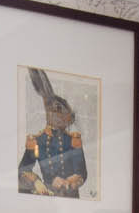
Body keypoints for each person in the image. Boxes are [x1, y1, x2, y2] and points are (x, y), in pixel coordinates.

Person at [19, 67, 88, 196]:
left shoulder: (73, 140)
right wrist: (36, 182)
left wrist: (69, 181)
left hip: (71, 197)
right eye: (55, 111)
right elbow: (23, 170)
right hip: (48, 196)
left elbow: (82, 172)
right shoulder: (36, 142)